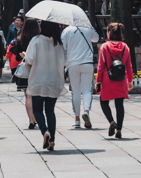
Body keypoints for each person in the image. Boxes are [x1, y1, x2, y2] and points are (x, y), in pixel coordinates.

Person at [26, 20, 67, 151]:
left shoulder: (36, 40)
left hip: (38, 79)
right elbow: (63, 61)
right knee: (50, 110)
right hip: (54, 80)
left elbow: (30, 59)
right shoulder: (58, 43)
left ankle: (44, 132)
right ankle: (52, 139)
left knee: (37, 109)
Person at [96, 23, 134, 139]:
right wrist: (130, 80)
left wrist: (98, 81)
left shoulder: (104, 47)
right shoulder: (125, 47)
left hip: (108, 79)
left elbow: (101, 66)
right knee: (119, 104)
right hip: (121, 79)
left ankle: (112, 122)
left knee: (103, 102)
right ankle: (119, 130)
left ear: (109, 33)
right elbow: (129, 66)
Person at [61, 19, 99, 129]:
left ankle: (77, 119)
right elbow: (96, 39)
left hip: (72, 63)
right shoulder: (87, 28)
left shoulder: (66, 30)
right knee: (87, 90)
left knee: (75, 91)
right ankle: (86, 111)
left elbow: (62, 47)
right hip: (87, 62)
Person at [10, 18, 40, 129]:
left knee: (28, 95)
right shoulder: (39, 39)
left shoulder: (19, 39)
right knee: (37, 96)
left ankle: (31, 121)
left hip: (25, 70)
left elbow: (17, 57)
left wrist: (23, 55)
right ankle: (36, 117)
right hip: (37, 69)